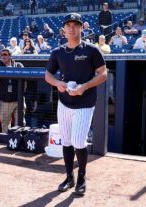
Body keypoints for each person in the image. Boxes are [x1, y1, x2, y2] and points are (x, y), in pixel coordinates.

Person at [45, 13, 107, 195]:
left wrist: (85, 87)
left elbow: (103, 73)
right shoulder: (58, 52)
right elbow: (47, 75)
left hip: (85, 102)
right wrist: (58, 83)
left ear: (81, 28)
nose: (72, 28)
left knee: (78, 141)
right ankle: (69, 176)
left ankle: (81, 176)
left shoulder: (91, 50)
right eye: (68, 25)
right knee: (66, 141)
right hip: (64, 102)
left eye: (75, 25)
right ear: (64, 29)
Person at [0, 48, 25, 133]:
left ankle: (19, 142)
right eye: (1, 55)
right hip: (5, 101)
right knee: (5, 124)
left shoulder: (18, 65)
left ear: (10, 56)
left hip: (19, 100)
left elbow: (26, 81)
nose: (3, 56)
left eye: (5, 54)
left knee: (20, 123)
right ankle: (6, 141)